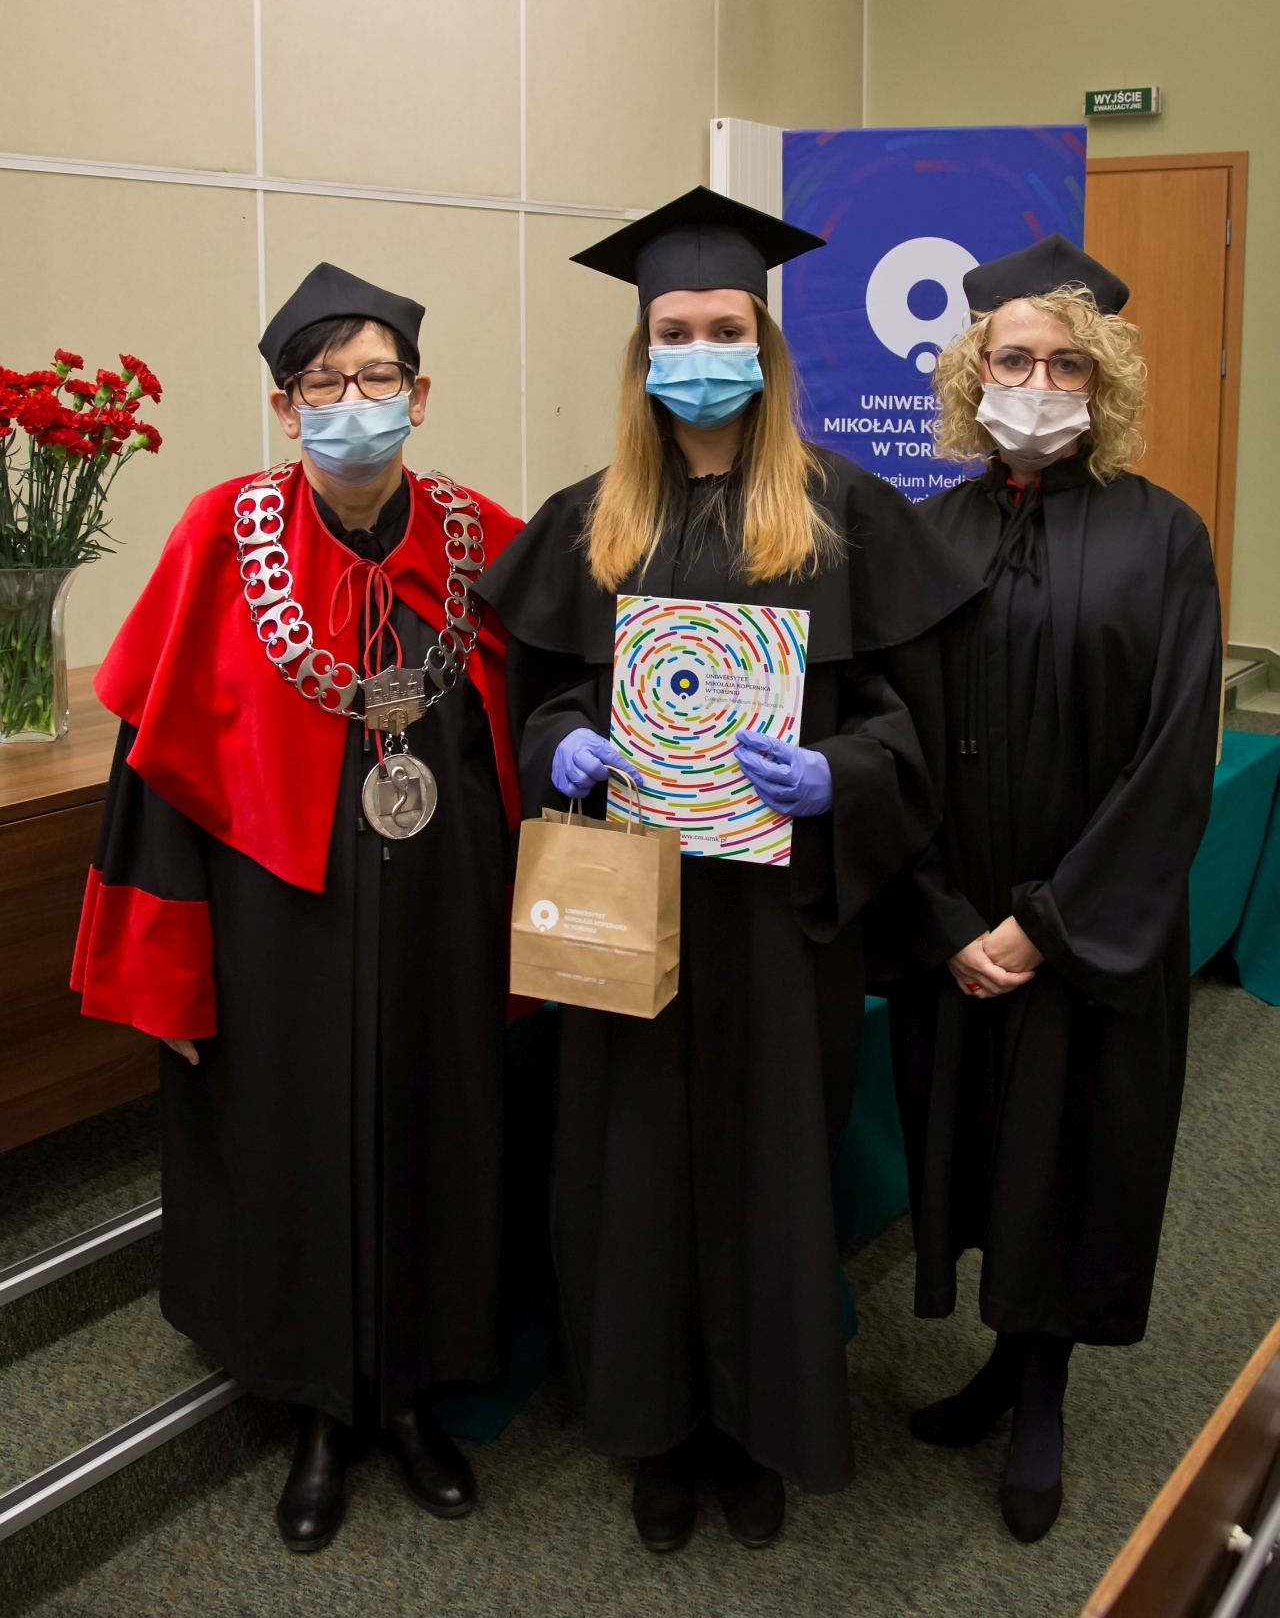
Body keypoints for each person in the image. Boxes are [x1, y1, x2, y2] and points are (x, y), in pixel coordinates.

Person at [476, 187, 979, 1553]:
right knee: (630, 1174)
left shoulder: (844, 514)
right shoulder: (589, 520)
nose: (700, 353)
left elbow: (910, 725)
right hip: (626, 911)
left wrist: (842, 776)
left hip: (776, 921)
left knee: (770, 1172)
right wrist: (563, 744)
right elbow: (537, 700)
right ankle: (655, 1432)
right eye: (675, 332)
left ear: (766, 344)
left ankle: (758, 1434)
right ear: (643, 353)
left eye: (725, 328)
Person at [71, 263, 523, 1552]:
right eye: (323, 384)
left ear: (419, 396)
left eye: (377, 378)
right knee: (290, 1142)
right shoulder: (224, 538)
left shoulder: (484, 537)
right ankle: (320, 1408)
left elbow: (538, 715)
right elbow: (155, 768)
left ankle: (414, 1395)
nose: (352, 402)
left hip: (441, 911)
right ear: (285, 408)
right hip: (278, 919)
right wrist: (167, 966)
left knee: (438, 1123)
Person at [888, 235, 1221, 1543]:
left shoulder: (1163, 536)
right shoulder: (925, 535)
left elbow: (1175, 753)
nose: (1038, 383)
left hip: (1087, 929)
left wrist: (1048, 926)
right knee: (979, 1144)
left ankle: (1042, 1395)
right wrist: (944, 919)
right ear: (973, 374)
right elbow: (890, 742)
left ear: (1105, 382)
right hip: (961, 923)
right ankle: (998, 1364)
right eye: (1015, 360)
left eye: (1067, 364)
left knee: (1073, 1154)